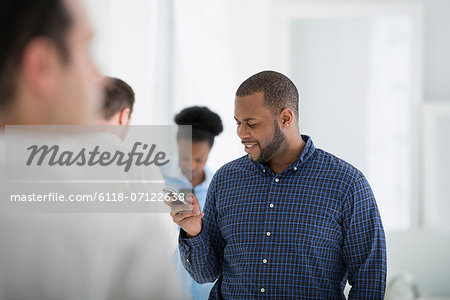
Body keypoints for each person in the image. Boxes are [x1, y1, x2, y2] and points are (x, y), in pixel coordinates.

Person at [0, 1, 181, 299]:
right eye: (85, 48)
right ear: (41, 65)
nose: (95, 73)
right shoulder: (129, 243)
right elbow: (162, 225)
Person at [169, 71, 387, 299]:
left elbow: (369, 281)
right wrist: (193, 232)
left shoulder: (347, 184)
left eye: (251, 123)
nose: (241, 133)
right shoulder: (225, 179)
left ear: (285, 118)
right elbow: (205, 273)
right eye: (238, 123)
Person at [162, 106, 223, 299]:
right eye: (185, 157)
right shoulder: (155, 178)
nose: (192, 166)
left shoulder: (219, 187)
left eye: (199, 159)